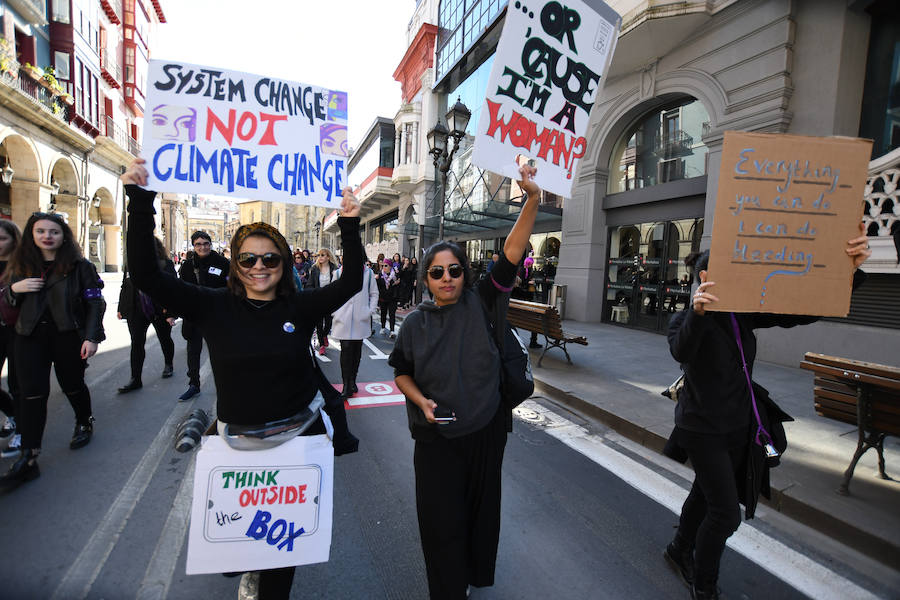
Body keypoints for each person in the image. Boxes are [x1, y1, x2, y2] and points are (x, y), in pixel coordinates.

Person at [121, 158, 362, 599]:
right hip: (235, 451)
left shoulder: (300, 307)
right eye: (248, 258)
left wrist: (350, 224)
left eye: (270, 258)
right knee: (240, 550)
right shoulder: (212, 305)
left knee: (280, 565)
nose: (259, 266)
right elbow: (146, 274)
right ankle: (248, 567)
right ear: (236, 263)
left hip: (296, 448)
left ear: (284, 262)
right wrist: (139, 201)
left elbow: (350, 282)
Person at [664, 226, 870, 600]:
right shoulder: (684, 320)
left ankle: (679, 548)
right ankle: (704, 584)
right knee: (726, 514)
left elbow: (798, 311)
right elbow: (681, 350)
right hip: (702, 429)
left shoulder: (743, 316)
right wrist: (698, 311)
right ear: (704, 281)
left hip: (738, 427)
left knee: (705, 494)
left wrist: (848, 274)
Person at [389, 163, 540, 599]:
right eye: (437, 273)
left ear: (464, 273)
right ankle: (448, 589)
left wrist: (530, 198)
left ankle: (471, 575)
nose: (447, 278)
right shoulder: (414, 324)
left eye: (454, 270)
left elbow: (512, 252)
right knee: (440, 522)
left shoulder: (483, 300)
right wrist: (421, 401)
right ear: (426, 279)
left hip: (486, 433)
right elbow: (400, 371)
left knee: (479, 514)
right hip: (437, 440)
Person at [0, 212, 106, 489]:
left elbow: (95, 302)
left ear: (63, 236)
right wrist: (15, 289)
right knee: (31, 394)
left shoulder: (79, 266)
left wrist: (91, 336)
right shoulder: (21, 265)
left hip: (67, 335)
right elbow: (6, 300)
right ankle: (29, 456)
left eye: (54, 232)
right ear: (32, 235)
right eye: (41, 231)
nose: (47, 236)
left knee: (72, 384)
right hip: (28, 335)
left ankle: (84, 420)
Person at [116, 237, 177, 393]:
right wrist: (121, 308)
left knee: (164, 338)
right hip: (136, 310)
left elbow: (173, 289)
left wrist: (171, 313)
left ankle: (168, 364)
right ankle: (135, 379)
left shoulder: (165, 264)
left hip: (159, 309)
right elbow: (125, 286)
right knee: (136, 343)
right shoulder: (131, 263)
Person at [177, 230, 229, 400]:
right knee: (193, 351)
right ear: (193, 246)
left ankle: (226, 386)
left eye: (206, 243)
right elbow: (181, 290)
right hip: (194, 315)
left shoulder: (222, 263)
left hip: (216, 315)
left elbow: (230, 288)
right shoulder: (187, 266)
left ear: (210, 244)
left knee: (221, 352)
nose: (203, 247)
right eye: (198, 244)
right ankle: (193, 384)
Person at [331, 253, 379, 400]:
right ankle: (346, 384)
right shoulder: (338, 273)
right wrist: (335, 311)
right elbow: (332, 293)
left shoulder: (368, 273)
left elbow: (374, 293)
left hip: (361, 318)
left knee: (356, 349)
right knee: (345, 349)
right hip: (343, 317)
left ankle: (352, 380)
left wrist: (369, 311)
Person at [0, 220, 22, 455]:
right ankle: (14, 413)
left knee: (19, 383)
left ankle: (22, 431)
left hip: (17, 329)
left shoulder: (23, 267)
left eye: (2, 238)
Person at [305, 248, 338, 355]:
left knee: (328, 323)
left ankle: (324, 335)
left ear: (328, 257)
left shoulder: (334, 269)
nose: (320, 257)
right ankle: (322, 345)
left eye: (323, 255)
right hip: (318, 299)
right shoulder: (314, 269)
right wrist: (313, 294)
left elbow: (338, 285)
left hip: (330, 300)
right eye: (319, 255)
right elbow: (309, 284)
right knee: (318, 324)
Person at [375, 260, 399, 338]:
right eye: (383, 266)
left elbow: (399, 285)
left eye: (386, 265)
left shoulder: (395, 275)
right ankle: (383, 327)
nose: (384, 267)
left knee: (392, 314)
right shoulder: (380, 275)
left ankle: (392, 331)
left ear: (390, 266)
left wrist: (396, 283)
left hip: (393, 298)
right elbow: (377, 287)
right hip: (383, 298)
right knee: (383, 313)